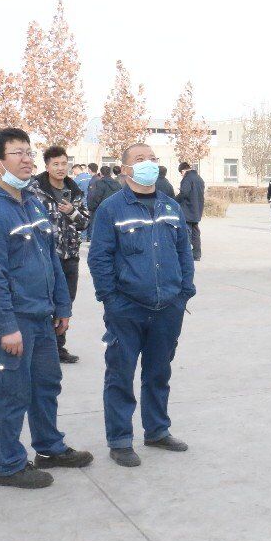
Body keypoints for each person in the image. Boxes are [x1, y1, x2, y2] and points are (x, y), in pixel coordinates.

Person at [0, 128, 93, 489]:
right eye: (17, 153)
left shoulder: (32, 203)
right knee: (10, 393)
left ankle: (49, 447)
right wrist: (7, 327)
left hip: (40, 314)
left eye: (28, 152)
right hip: (10, 319)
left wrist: (62, 305)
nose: (27, 159)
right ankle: (9, 465)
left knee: (45, 385)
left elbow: (51, 258)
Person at [89, 143, 196, 467]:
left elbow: (184, 251)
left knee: (159, 372)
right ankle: (120, 440)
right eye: (139, 159)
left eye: (152, 158)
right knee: (120, 375)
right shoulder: (111, 209)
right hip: (127, 308)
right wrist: (111, 300)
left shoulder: (170, 206)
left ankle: (157, 430)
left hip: (168, 307)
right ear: (125, 169)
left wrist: (184, 292)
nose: (147, 163)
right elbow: (99, 258)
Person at [32, 146, 89, 364]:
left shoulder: (75, 191)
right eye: (55, 164)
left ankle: (58, 347)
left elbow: (85, 223)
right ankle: (43, 347)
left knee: (65, 303)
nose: (60, 168)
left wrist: (72, 212)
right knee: (45, 302)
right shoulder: (34, 190)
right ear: (47, 166)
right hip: (45, 257)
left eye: (64, 163)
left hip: (70, 257)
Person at [177, 161, 205, 260]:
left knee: (186, 233)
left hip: (187, 210)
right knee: (196, 233)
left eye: (181, 173)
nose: (181, 175)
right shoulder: (199, 178)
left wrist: (175, 200)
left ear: (183, 171)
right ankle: (197, 254)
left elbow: (184, 193)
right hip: (197, 210)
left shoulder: (187, 179)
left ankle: (186, 254)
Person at [87, 164, 122, 234]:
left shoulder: (99, 183)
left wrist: (91, 208)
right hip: (115, 210)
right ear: (110, 173)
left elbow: (96, 198)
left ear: (101, 173)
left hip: (101, 210)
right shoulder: (117, 183)